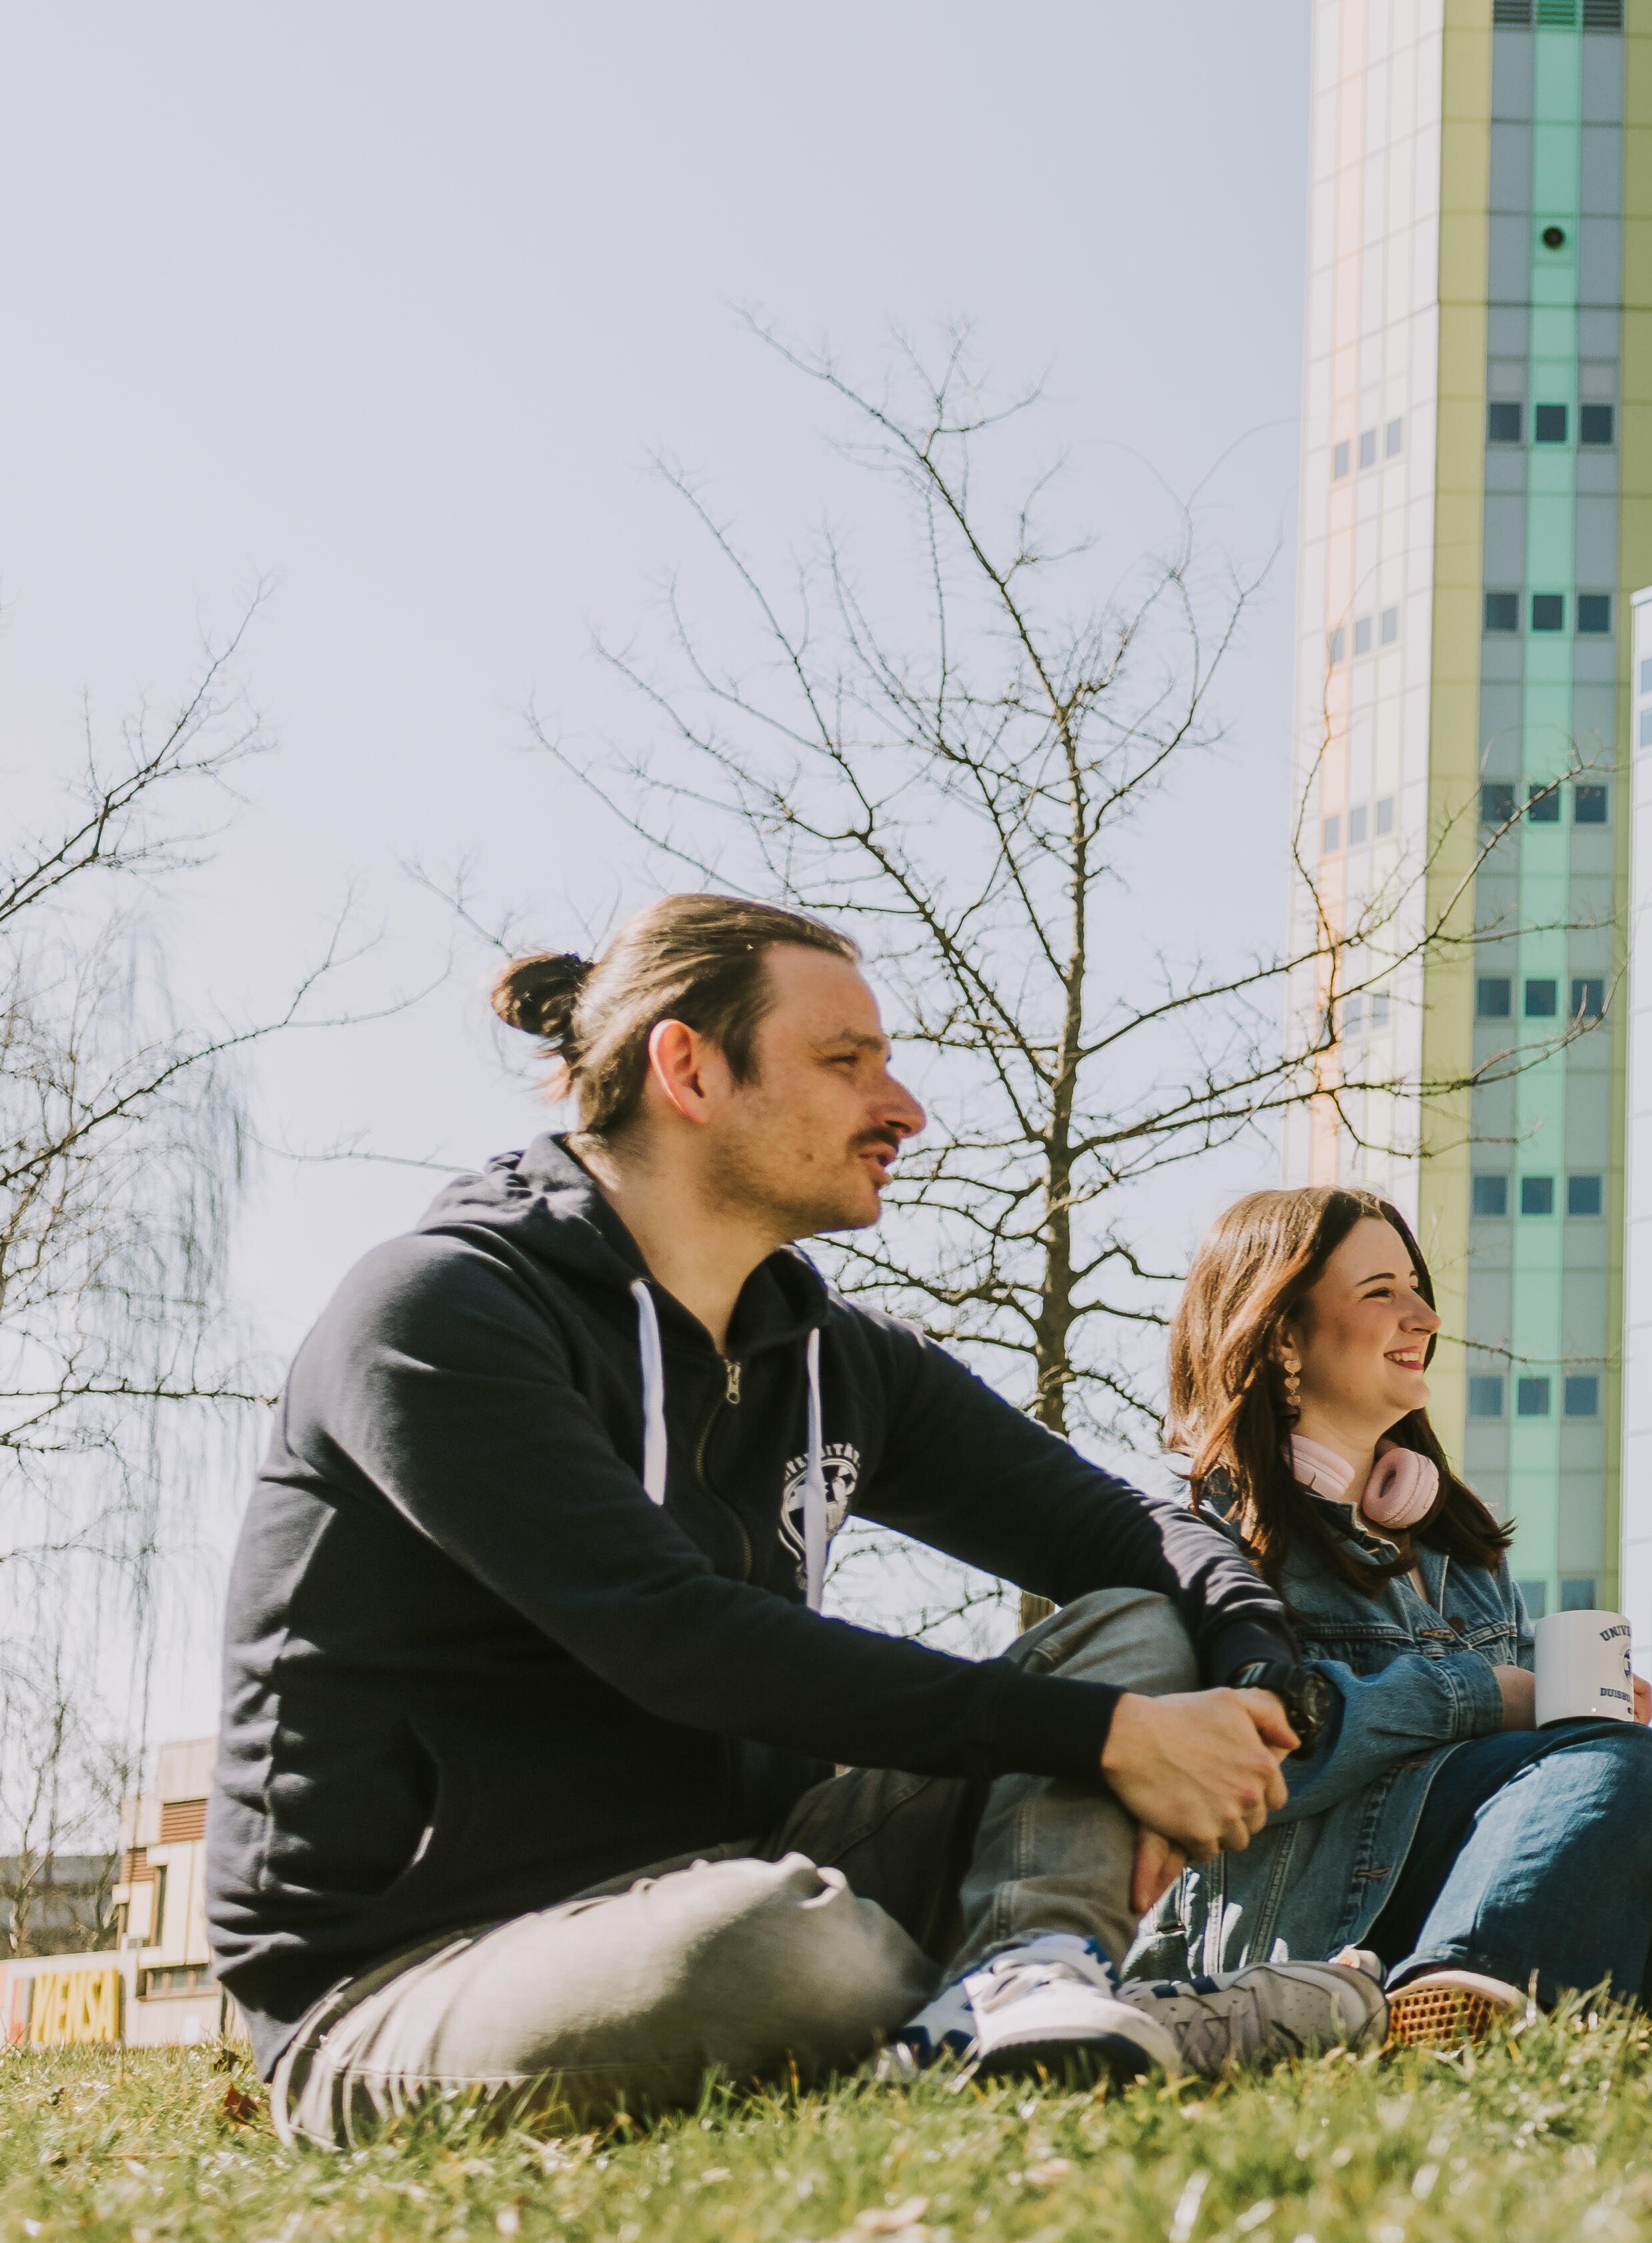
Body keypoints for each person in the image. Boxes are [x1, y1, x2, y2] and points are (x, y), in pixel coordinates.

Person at [205, 898, 1379, 2146]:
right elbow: (678, 1636)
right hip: (418, 1970)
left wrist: (1263, 1672)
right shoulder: (440, 1313)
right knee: (787, 1955)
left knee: (1133, 1623)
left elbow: (1125, 1532)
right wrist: (1104, 1736)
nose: (904, 1108)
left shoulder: (828, 1356)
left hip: (759, 1864)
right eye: (845, 1061)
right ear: (689, 1068)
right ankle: (1092, 2014)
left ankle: (1028, 1983)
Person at [1126, 1186, 1652, 2047]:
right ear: (1281, 1334)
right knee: (1636, 1770)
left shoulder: (1456, 1547)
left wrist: (1579, 1715)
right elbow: (1248, 1759)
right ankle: (1461, 2016)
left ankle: (1517, 2021)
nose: (1423, 1315)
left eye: (1418, 1287)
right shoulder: (1202, 1540)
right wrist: (1491, 1697)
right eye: (1380, 1292)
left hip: (1467, 1878)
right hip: (1308, 1926)